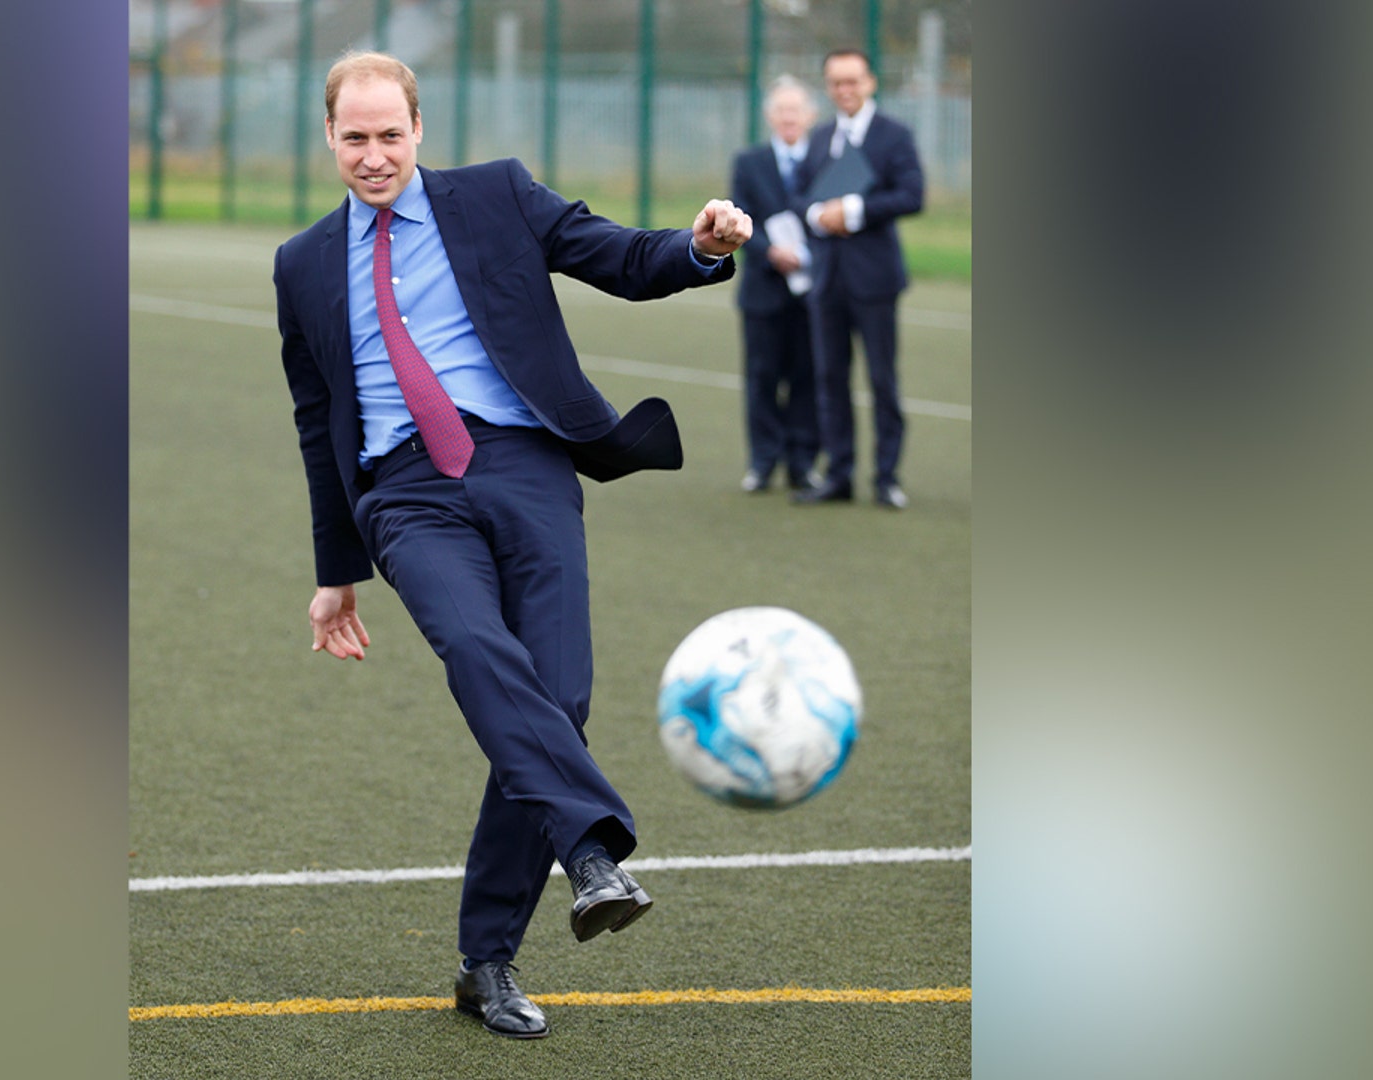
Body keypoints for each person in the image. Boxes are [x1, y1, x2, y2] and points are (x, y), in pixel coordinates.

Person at [272, 52, 752, 1040]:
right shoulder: (302, 263)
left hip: (525, 463)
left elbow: (620, 257)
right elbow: (318, 423)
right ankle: (591, 855)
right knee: (477, 647)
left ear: (419, 128)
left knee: (557, 699)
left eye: (390, 135)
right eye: (355, 138)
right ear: (329, 136)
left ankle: (483, 961)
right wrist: (335, 575)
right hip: (405, 492)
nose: (374, 155)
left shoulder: (497, 195)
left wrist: (699, 246)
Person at [791, 48, 925, 509]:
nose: (845, 90)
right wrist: (816, 215)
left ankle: (887, 478)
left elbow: (912, 195)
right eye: (836, 82)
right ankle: (839, 475)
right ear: (828, 87)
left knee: (882, 380)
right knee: (830, 379)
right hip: (826, 279)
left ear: (870, 82)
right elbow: (799, 196)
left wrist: (852, 210)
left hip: (875, 279)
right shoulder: (819, 137)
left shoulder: (894, 135)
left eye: (853, 81)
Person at [728, 77, 821, 495]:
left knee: (808, 377)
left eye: (795, 109)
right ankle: (763, 461)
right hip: (764, 289)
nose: (789, 117)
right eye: (781, 109)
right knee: (762, 376)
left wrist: (808, 254)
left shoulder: (825, 160)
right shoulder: (749, 162)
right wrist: (770, 251)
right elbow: (738, 216)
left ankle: (803, 463)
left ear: (810, 116)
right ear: (770, 116)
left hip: (813, 290)